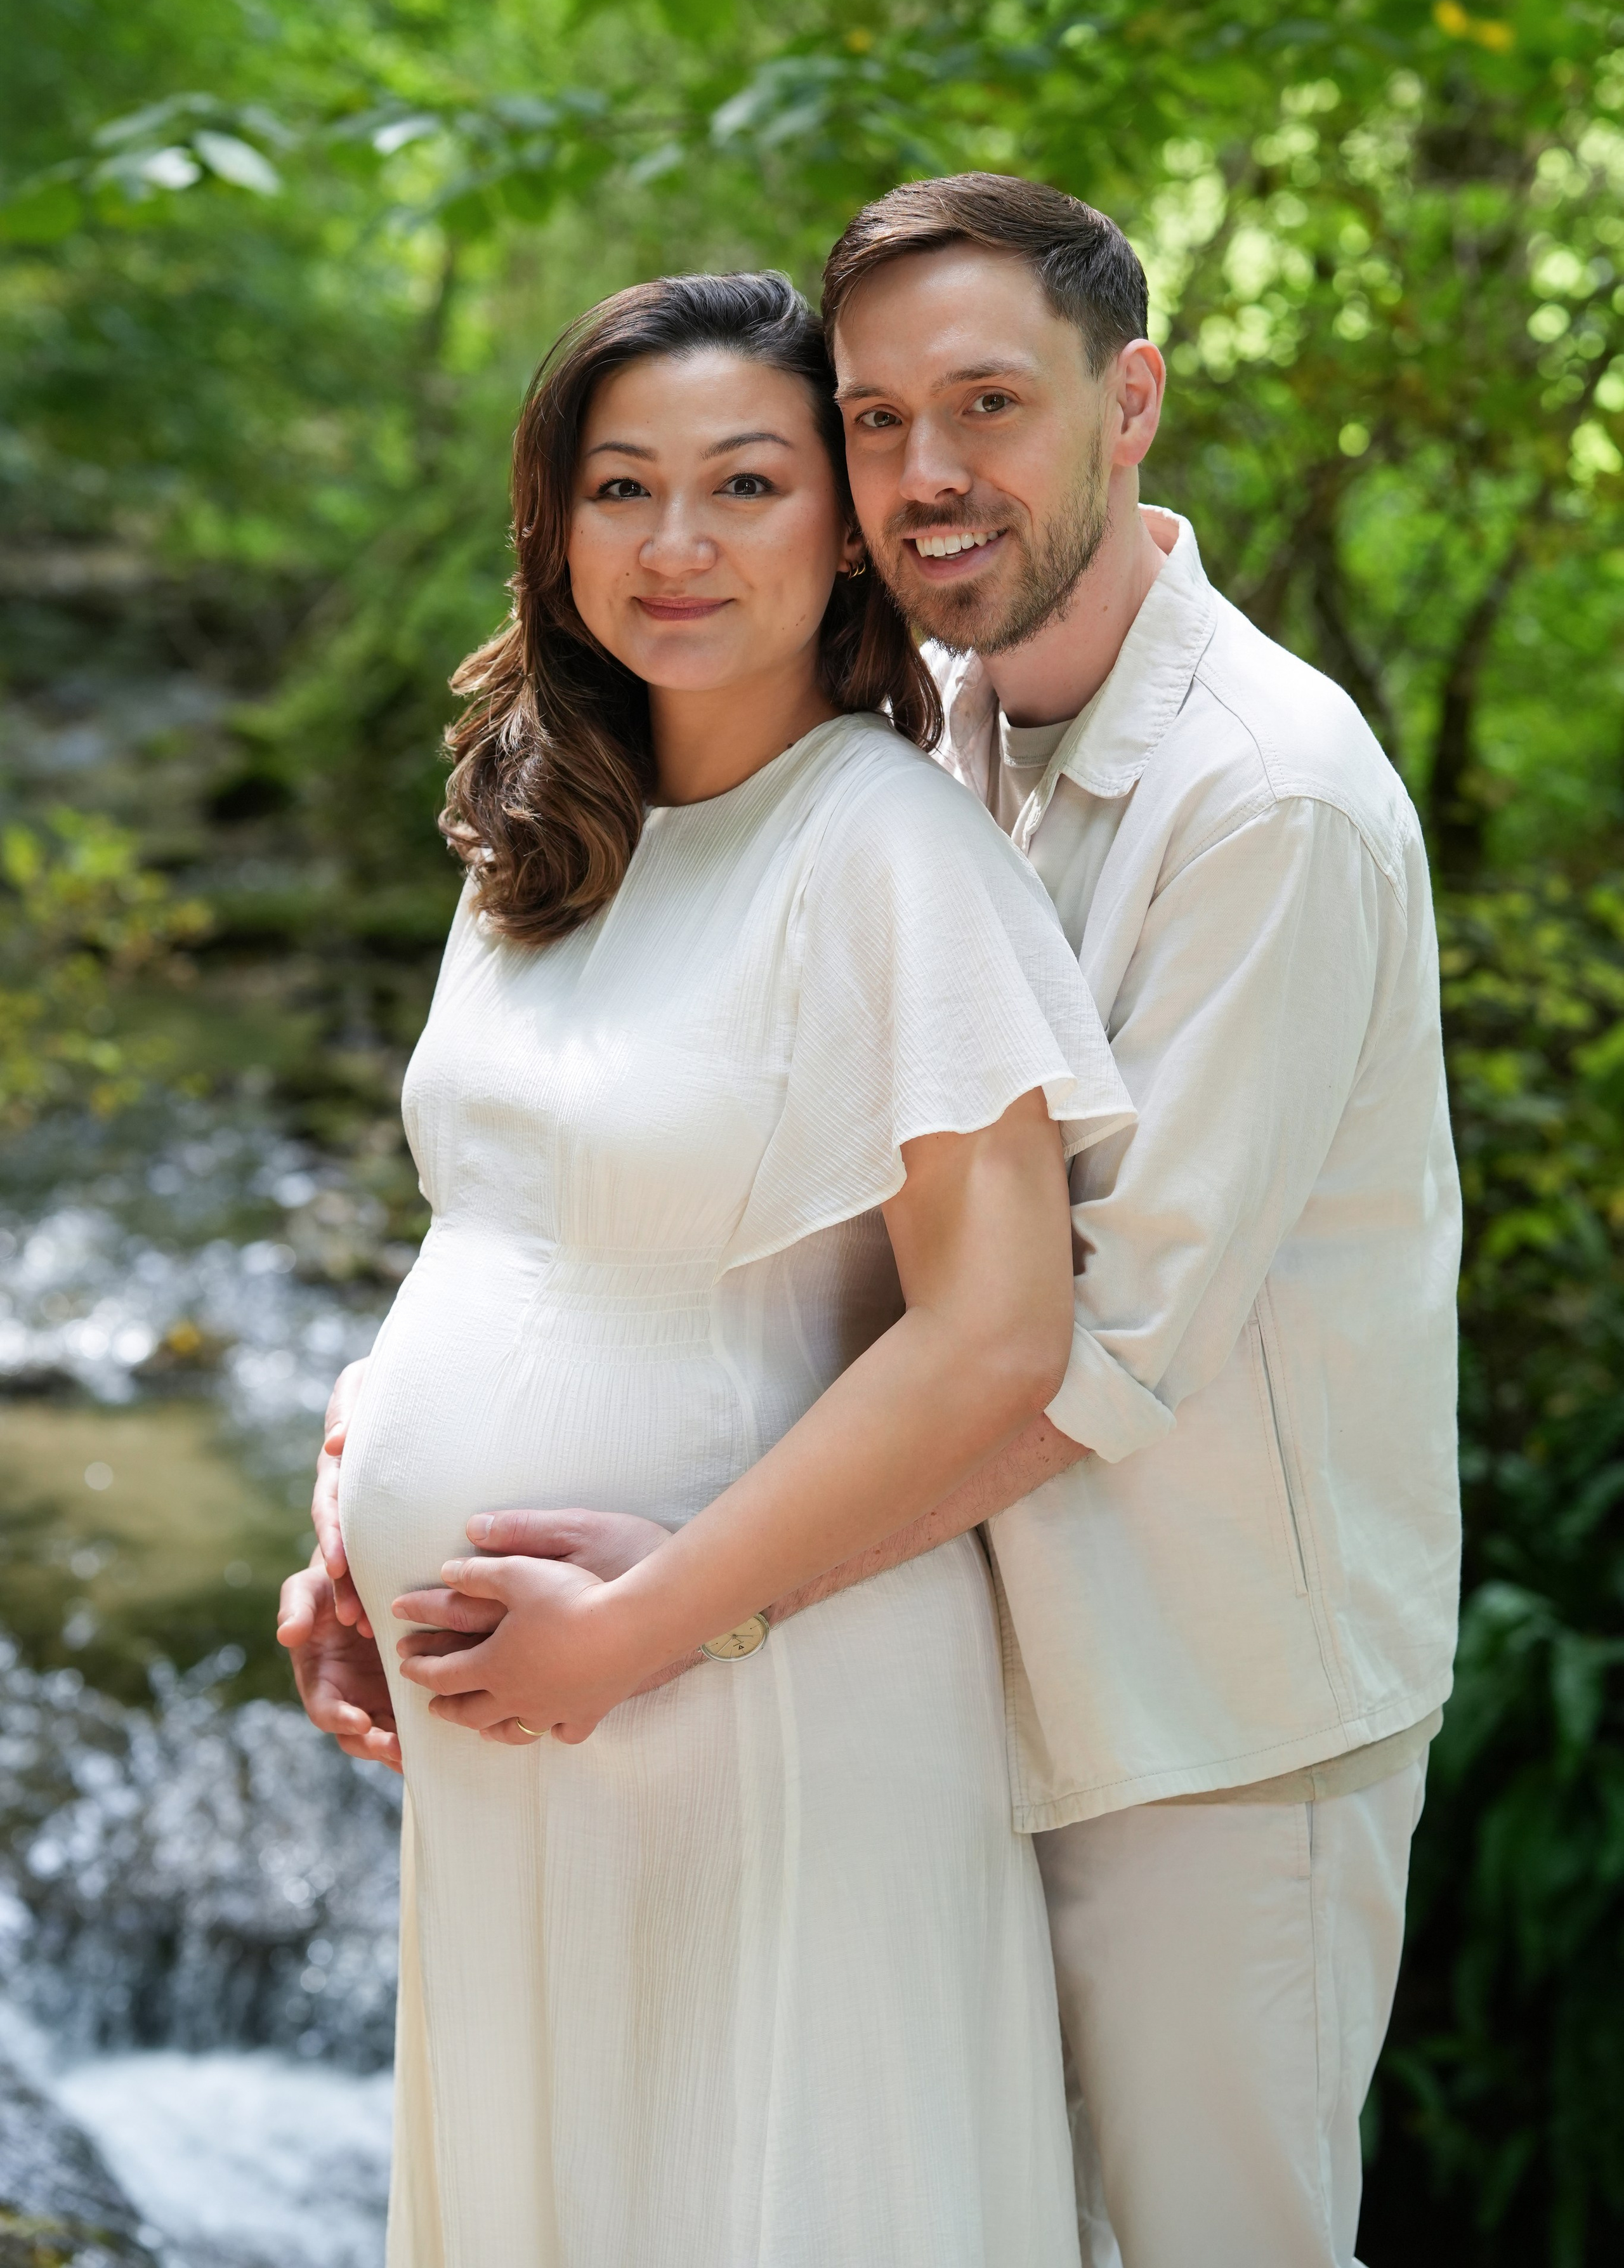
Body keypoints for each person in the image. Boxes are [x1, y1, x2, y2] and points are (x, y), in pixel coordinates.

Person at [286, 178, 1462, 2268]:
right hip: (881, 1648)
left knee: (1211, 2241)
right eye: (885, 419)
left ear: (1133, 403)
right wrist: (369, 1470)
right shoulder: (958, 710)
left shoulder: (1254, 801)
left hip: (1196, 1694)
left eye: (988, 406)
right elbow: (574, 1201)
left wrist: (676, 1606)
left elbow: (1088, 1334)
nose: (932, 474)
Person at [284, 265, 1134, 2267]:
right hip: (524, 1716)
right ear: (550, 522)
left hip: (749, 1697)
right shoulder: (542, 833)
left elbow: (1003, 1332)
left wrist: (649, 1624)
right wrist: (354, 1542)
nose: (674, 546)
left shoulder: (886, 849)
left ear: (843, 524)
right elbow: (516, 1225)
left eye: (746, 485)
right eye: (619, 488)